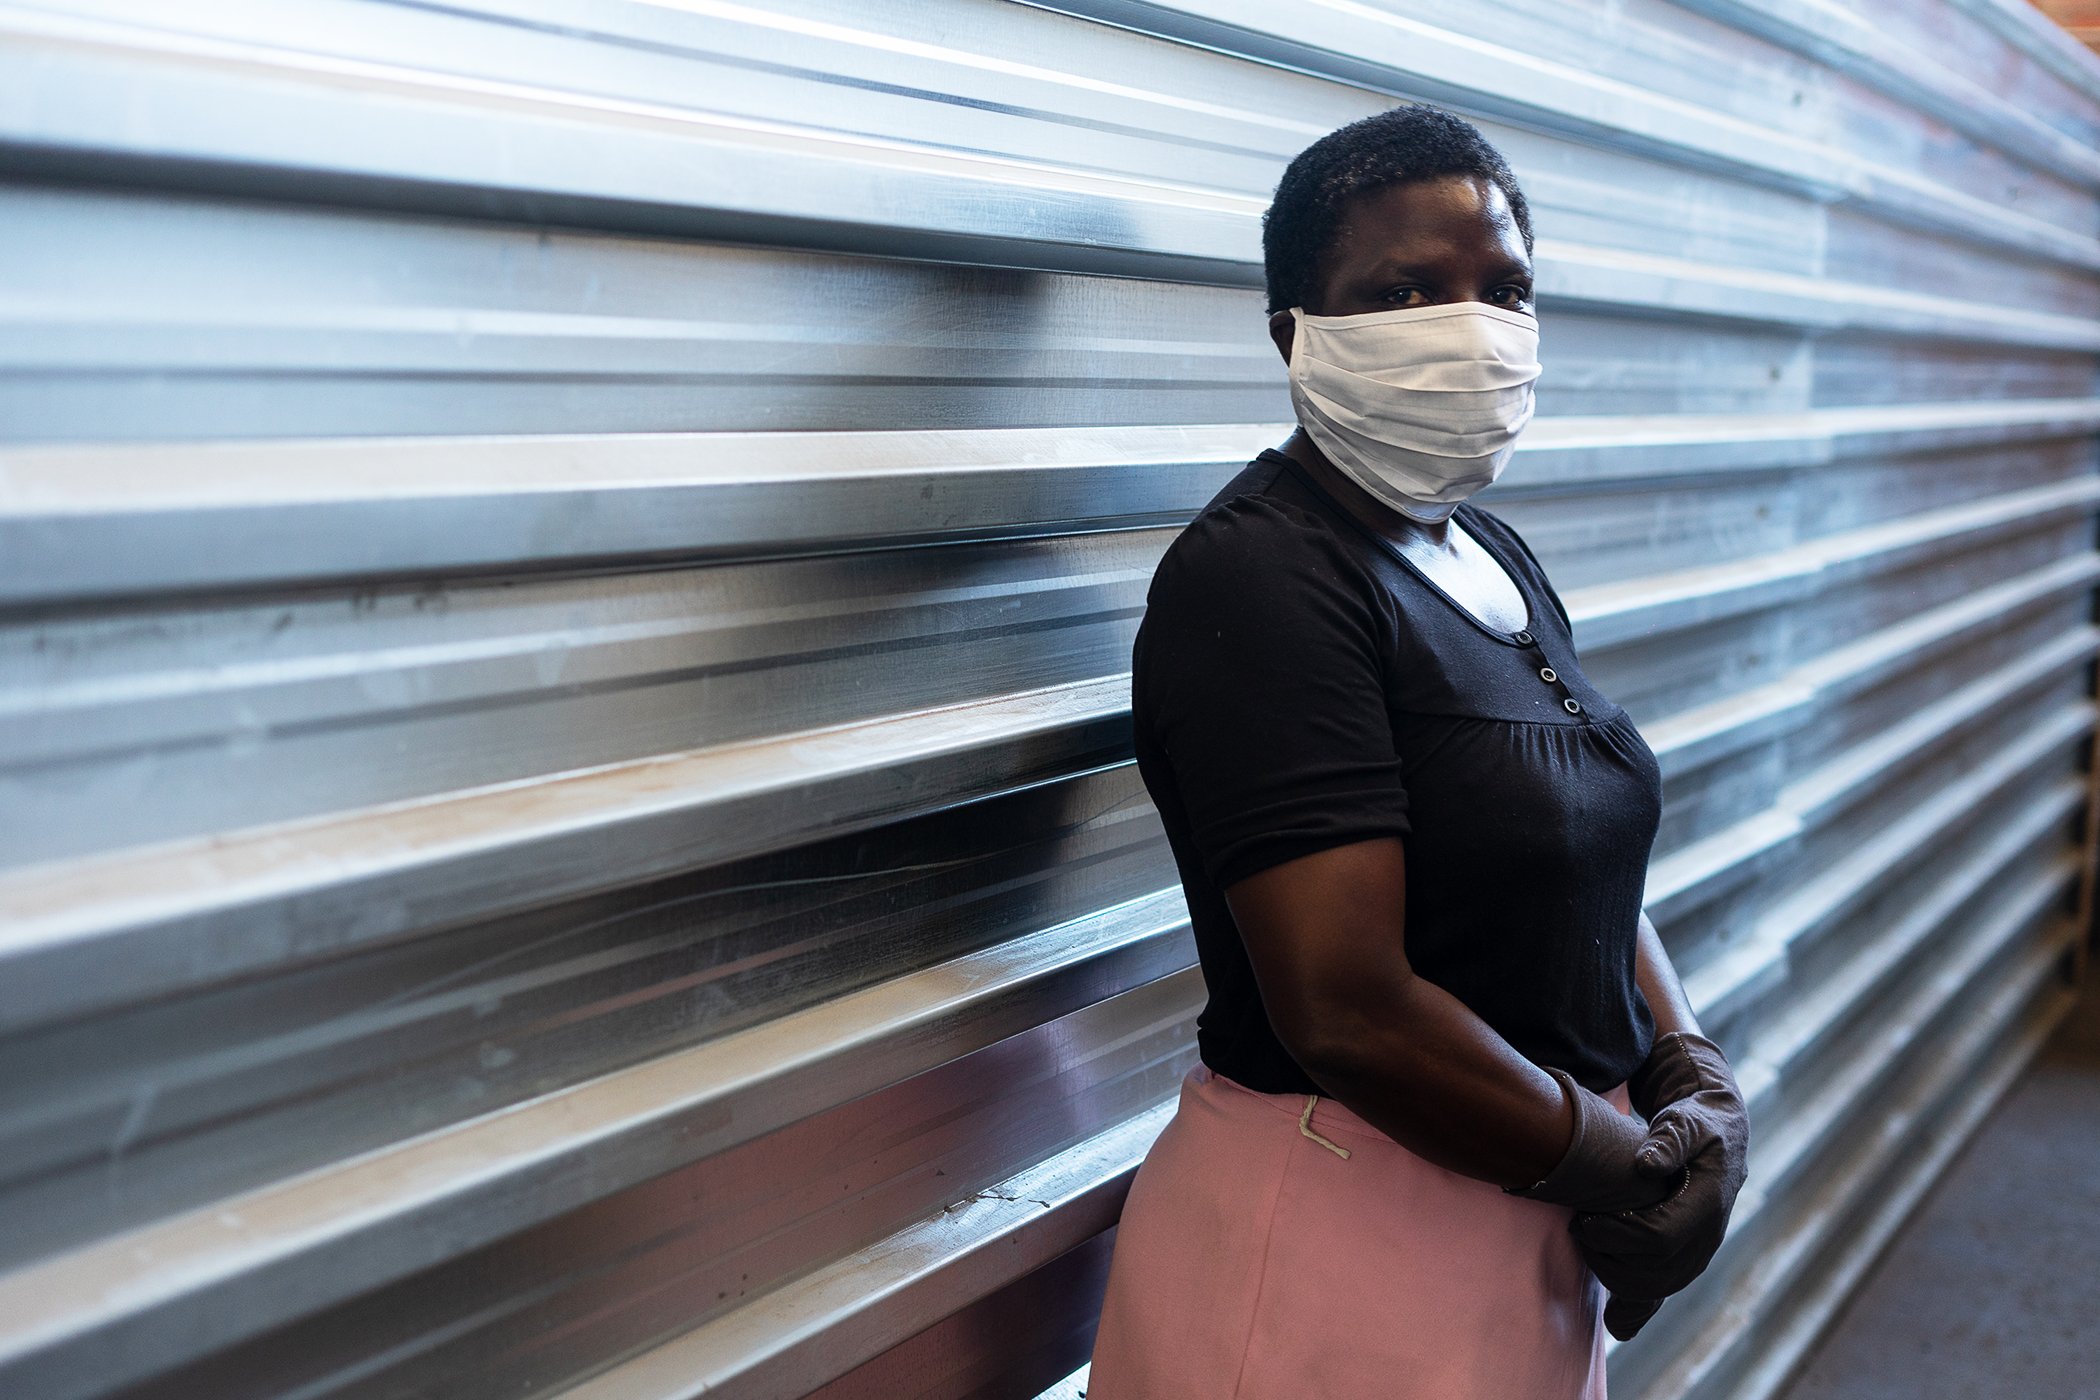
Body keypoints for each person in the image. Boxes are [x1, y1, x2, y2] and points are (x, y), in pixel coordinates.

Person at [1085, 107, 1752, 1399]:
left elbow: (1577, 852)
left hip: (1529, 1205)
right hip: (1344, 1220)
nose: (1470, 329)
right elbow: (1346, 1004)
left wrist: (1691, 1074)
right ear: (1296, 335)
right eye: (1403, 292)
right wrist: (1627, 1169)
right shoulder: (1264, 579)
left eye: (1504, 289)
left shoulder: (1485, 553)